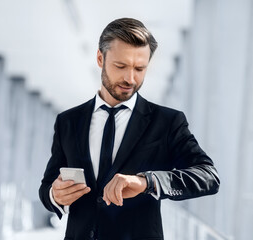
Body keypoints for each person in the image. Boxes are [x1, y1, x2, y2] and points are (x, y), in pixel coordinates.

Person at [39, 17, 220, 240]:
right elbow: (47, 186)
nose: (130, 78)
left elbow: (208, 177)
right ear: (100, 58)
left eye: (139, 68)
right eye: (120, 66)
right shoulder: (68, 121)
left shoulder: (167, 122)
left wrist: (147, 182)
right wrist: (54, 195)